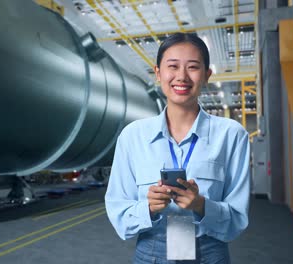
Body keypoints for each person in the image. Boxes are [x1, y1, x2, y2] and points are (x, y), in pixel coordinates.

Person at [105, 32, 250, 264]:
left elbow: (237, 219)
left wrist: (201, 205)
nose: (181, 77)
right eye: (172, 66)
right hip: (151, 253)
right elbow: (119, 213)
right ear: (158, 73)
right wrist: (148, 208)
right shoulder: (132, 136)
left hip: (209, 254)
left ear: (206, 75)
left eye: (193, 67)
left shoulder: (232, 135)